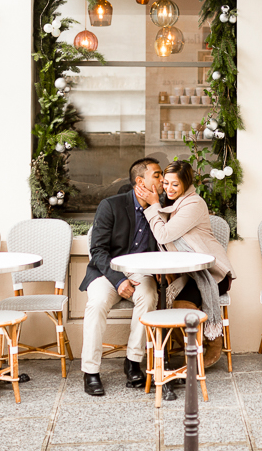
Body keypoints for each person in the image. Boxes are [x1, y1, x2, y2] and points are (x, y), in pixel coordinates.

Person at [135, 160, 233, 368]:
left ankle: (213, 345)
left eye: (175, 185)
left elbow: (163, 234)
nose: (169, 189)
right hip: (190, 274)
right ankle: (194, 349)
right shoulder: (174, 204)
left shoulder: (193, 204)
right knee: (167, 303)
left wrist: (153, 205)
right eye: (166, 183)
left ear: (186, 185)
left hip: (214, 274)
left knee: (181, 306)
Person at [79, 157, 163, 396]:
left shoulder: (163, 206)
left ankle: (133, 362)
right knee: (96, 305)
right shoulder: (111, 205)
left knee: (148, 298)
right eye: (156, 175)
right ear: (140, 181)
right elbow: (98, 251)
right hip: (109, 271)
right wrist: (118, 281)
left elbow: (166, 244)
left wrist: (155, 206)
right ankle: (91, 371)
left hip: (142, 271)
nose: (162, 179)